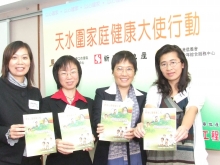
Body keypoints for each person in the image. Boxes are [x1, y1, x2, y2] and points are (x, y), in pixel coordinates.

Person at [134, 44, 208, 165]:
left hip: (187, 157)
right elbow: (149, 109)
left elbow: (192, 109)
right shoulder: (155, 90)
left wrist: (184, 127)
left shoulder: (194, 88)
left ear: (182, 64)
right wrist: (143, 123)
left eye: (173, 62)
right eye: (163, 64)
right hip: (158, 156)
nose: (169, 68)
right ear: (159, 68)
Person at [92, 50, 147, 165]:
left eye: (129, 69)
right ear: (113, 71)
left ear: (134, 72)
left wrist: (136, 132)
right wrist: (101, 126)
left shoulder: (143, 96)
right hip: (108, 155)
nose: (124, 74)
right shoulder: (102, 93)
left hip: (136, 155)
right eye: (119, 68)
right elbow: (96, 119)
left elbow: (145, 125)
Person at [41, 55, 94, 165]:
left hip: (83, 161)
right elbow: (42, 133)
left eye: (73, 72)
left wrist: (92, 138)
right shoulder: (47, 103)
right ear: (57, 76)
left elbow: (95, 129)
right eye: (64, 73)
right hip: (56, 161)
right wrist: (55, 142)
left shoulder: (89, 103)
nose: (69, 77)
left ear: (78, 74)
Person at [0, 41, 42, 165]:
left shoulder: (35, 92)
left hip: (33, 160)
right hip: (6, 159)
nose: (20, 62)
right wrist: (6, 132)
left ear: (30, 62)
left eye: (24, 57)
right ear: (7, 61)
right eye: (14, 57)